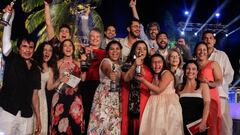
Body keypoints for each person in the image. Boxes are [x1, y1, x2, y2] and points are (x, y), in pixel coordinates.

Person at [0, 6, 41, 135]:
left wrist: (38, 118)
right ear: (18, 48)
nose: (28, 50)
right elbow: (6, 40)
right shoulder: (12, 59)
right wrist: (10, 18)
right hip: (7, 111)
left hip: (27, 116)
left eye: (30, 47)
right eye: (24, 46)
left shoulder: (36, 69)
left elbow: (35, 95)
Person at [138, 54, 184, 135]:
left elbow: (159, 90)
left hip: (167, 107)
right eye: (154, 62)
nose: (157, 65)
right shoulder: (154, 76)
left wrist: (143, 81)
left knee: (167, 130)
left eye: (159, 62)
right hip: (154, 106)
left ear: (163, 63)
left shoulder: (166, 73)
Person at [50, 39, 86, 134]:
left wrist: (83, 64)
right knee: (59, 128)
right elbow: (51, 85)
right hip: (60, 99)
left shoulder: (78, 63)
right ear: (62, 49)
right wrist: (60, 79)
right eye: (65, 46)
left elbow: (83, 79)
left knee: (75, 127)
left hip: (74, 99)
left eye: (70, 45)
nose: (68, 48)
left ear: (73, 49)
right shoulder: (57, 64)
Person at [202, 30, 234, 135]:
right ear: (202, 40)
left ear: (214, 41)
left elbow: (230, 75)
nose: (208, 40)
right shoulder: (199, 56)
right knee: (208, 126)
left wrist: (216, 83)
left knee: (225, 127)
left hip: (220, 96)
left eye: (210, 38)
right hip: (203, 97)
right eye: (205, 38)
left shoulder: (221, 55)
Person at [88, 40, 122, 134]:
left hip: (117, 97)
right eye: (112, 49)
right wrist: (111, 73)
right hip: (105, 96)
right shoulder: (106, 61)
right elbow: (108, 69)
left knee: (113, 125)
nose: (115, 51)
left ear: (121, 51)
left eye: (117, 49)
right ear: (107, 52)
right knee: (102, 123)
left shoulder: (122, 65)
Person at [121, 40, 152, 135]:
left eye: (144, 49)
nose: (141, 51)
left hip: (146, 99)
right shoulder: (128, 63)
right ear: (134, 50)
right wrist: (135, 64)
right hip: (130, 98)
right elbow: (126, 78)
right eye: (138, 48)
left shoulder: (149, 65)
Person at [80, 28, 106, 134]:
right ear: (89, 38)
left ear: (100, 39)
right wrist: (84, 56)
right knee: (86, 111)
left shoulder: (105, 53)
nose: (95, 39)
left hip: (99, 85)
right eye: (92, 37)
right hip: (86, 84)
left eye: (97, 37)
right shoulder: (82, 51)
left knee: (98, 113)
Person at [194, 42, 223, 135]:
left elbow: (219, 81)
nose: (202, 52)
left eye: (204, 50)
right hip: (198, 98)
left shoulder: (213, 64)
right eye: (199, 49)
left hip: (211, 98)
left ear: (207, 52)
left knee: (212, 125)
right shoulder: (193, 66)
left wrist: (209, 83)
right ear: (195, 51)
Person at [33, 41, 59, 134]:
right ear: (40, 51)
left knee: (40, 128)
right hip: (30, 96)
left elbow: (49, 87)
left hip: (42, 98)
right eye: (45, 50)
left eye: (50, 51)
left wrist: (60, 80)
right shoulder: (33, 63)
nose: (47, 53)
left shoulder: (50, 69)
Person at [179, 60, 210, 135]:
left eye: (193, 69)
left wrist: (203, 122)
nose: (190, 71)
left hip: (198, 125)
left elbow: (207, 104)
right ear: (184, 70)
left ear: (197, 72)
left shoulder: (203, 85)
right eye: (188, 68)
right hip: (183, 125)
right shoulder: (179, 87)